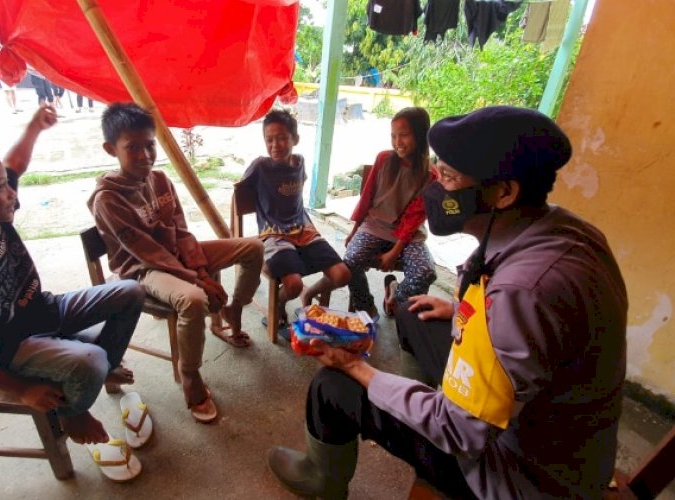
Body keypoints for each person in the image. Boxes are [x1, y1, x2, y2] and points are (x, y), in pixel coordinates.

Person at [266, 106, 628, 499]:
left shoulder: (525, 291)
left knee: (333, 384)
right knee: (412, 311)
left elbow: (461, 430)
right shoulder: (563, 230)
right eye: (437, 172)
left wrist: (358, 369)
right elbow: (535, 332)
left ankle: (322, 479)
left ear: (504, 192)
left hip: (512, 472)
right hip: (536, 429)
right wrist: (460, 311)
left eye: (450, 178)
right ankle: (410, 398)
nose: (435, 189)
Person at [0, 105, 145, 445]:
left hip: (44, 311)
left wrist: (34, 127)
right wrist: (21, 389)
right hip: (9, 350)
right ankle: (72, 413)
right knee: (90, 361)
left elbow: (14, 163)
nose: (12, 193)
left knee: (130, 292)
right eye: (2, 186)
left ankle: (102, 372)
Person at [87, 103, 264, 423]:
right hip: (143, 269)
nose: (145, 155)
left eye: (150, 145)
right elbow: (148, 253)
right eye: (133, 148)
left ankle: (234, 308)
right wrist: (199, 281)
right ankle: (190, 375)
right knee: (193, 299)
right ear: (110, 149)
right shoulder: (107, 199)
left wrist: (198, 268)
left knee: (252, 247)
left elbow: (182, 231)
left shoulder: (161, 180)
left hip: (178, 257)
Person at [236, 109, 350, 333]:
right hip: (274, 234)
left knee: (342, 274)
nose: (275, 145)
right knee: (293, 284)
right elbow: (240, 193)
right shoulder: (261, 166)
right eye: (269, 139)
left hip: (304, 230)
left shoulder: (300, 162)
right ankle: (277, 305)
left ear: (295, 139)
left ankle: (310, 294)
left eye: (282, 138)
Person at [343, 107, 437, 321]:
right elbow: (366, 198)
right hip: (375, 226)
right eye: (393, 136)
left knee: (425, 272)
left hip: (409, 235)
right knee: (350, 259)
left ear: (421, 135)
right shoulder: (384, 159)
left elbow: (413, 219)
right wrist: (355, 230)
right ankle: (366, 305)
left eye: (404, 135)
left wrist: (394, 252)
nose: (397, 142)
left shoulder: (430, 174)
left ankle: (396, 297)